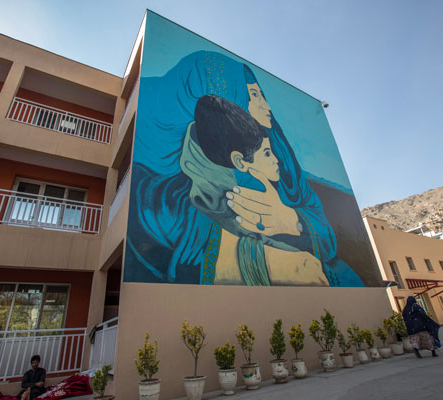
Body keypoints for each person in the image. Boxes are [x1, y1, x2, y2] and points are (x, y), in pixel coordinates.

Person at [125, 50, 365, 287]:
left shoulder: (279, 154)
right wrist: (263, 261)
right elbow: (167, 222)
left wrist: (290, 219)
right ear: (229, 105)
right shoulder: (186, 182)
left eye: (262, 94)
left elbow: (326, 234)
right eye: (253, 95)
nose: (265, 105)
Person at [187, 94, 329, 285]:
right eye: (267, 153)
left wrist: (289, 219)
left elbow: (327, 236)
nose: (276, 160)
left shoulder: (278, 182)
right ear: (240, 162)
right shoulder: (221, 194)